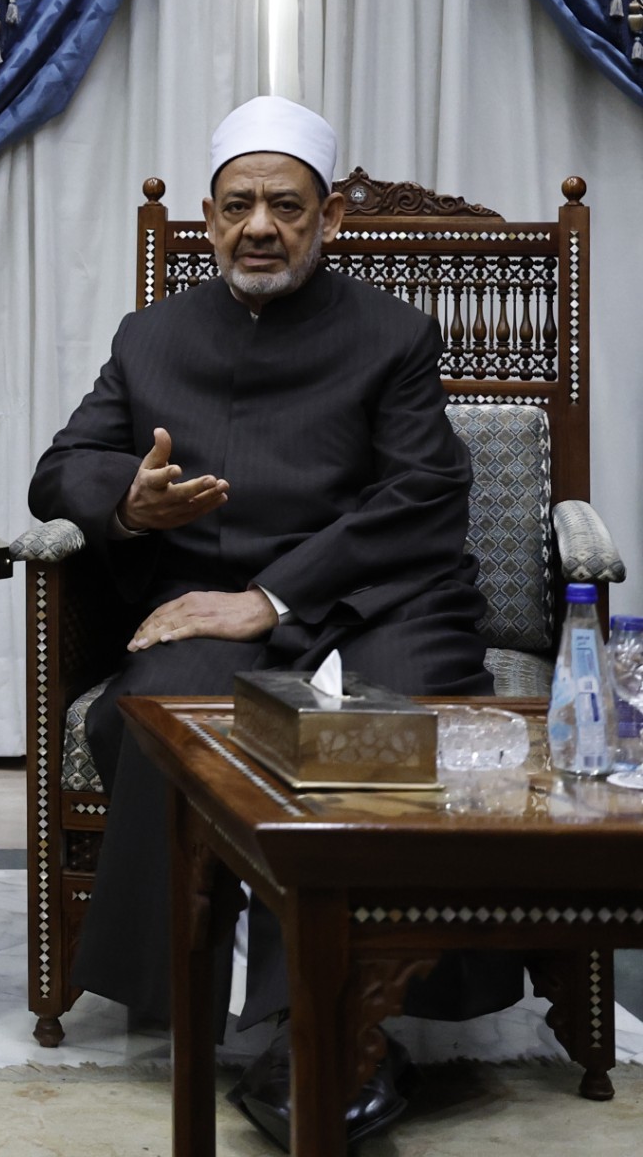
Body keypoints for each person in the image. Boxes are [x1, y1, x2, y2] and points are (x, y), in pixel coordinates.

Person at [29, 96, 520, 1149]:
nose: (260, 226)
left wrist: (273, 596)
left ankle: (343, 1026)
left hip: (379, 594)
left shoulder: (393, 334)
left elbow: (423, 493)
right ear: (208, 218)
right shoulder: (150, 337)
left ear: (329, 217)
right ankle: (216, 998)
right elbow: (61, 469)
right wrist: (130, 503)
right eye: (238, 205)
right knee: (166, 712)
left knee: (398, 728)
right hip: (214, 605)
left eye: (287, 207)